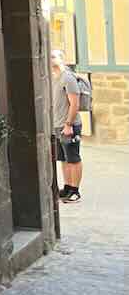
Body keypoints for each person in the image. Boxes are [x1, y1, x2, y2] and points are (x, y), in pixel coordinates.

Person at [50, 49, 83, 202]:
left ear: (62, 59)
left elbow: (74, 104)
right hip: (57, 125)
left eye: (53, 56)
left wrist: (68, 124)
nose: (50, 59)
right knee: (64, 159)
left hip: (69, 125)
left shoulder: (68, 78)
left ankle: (75, 191)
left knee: (73, 158)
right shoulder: (52, 78)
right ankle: (68, 187)